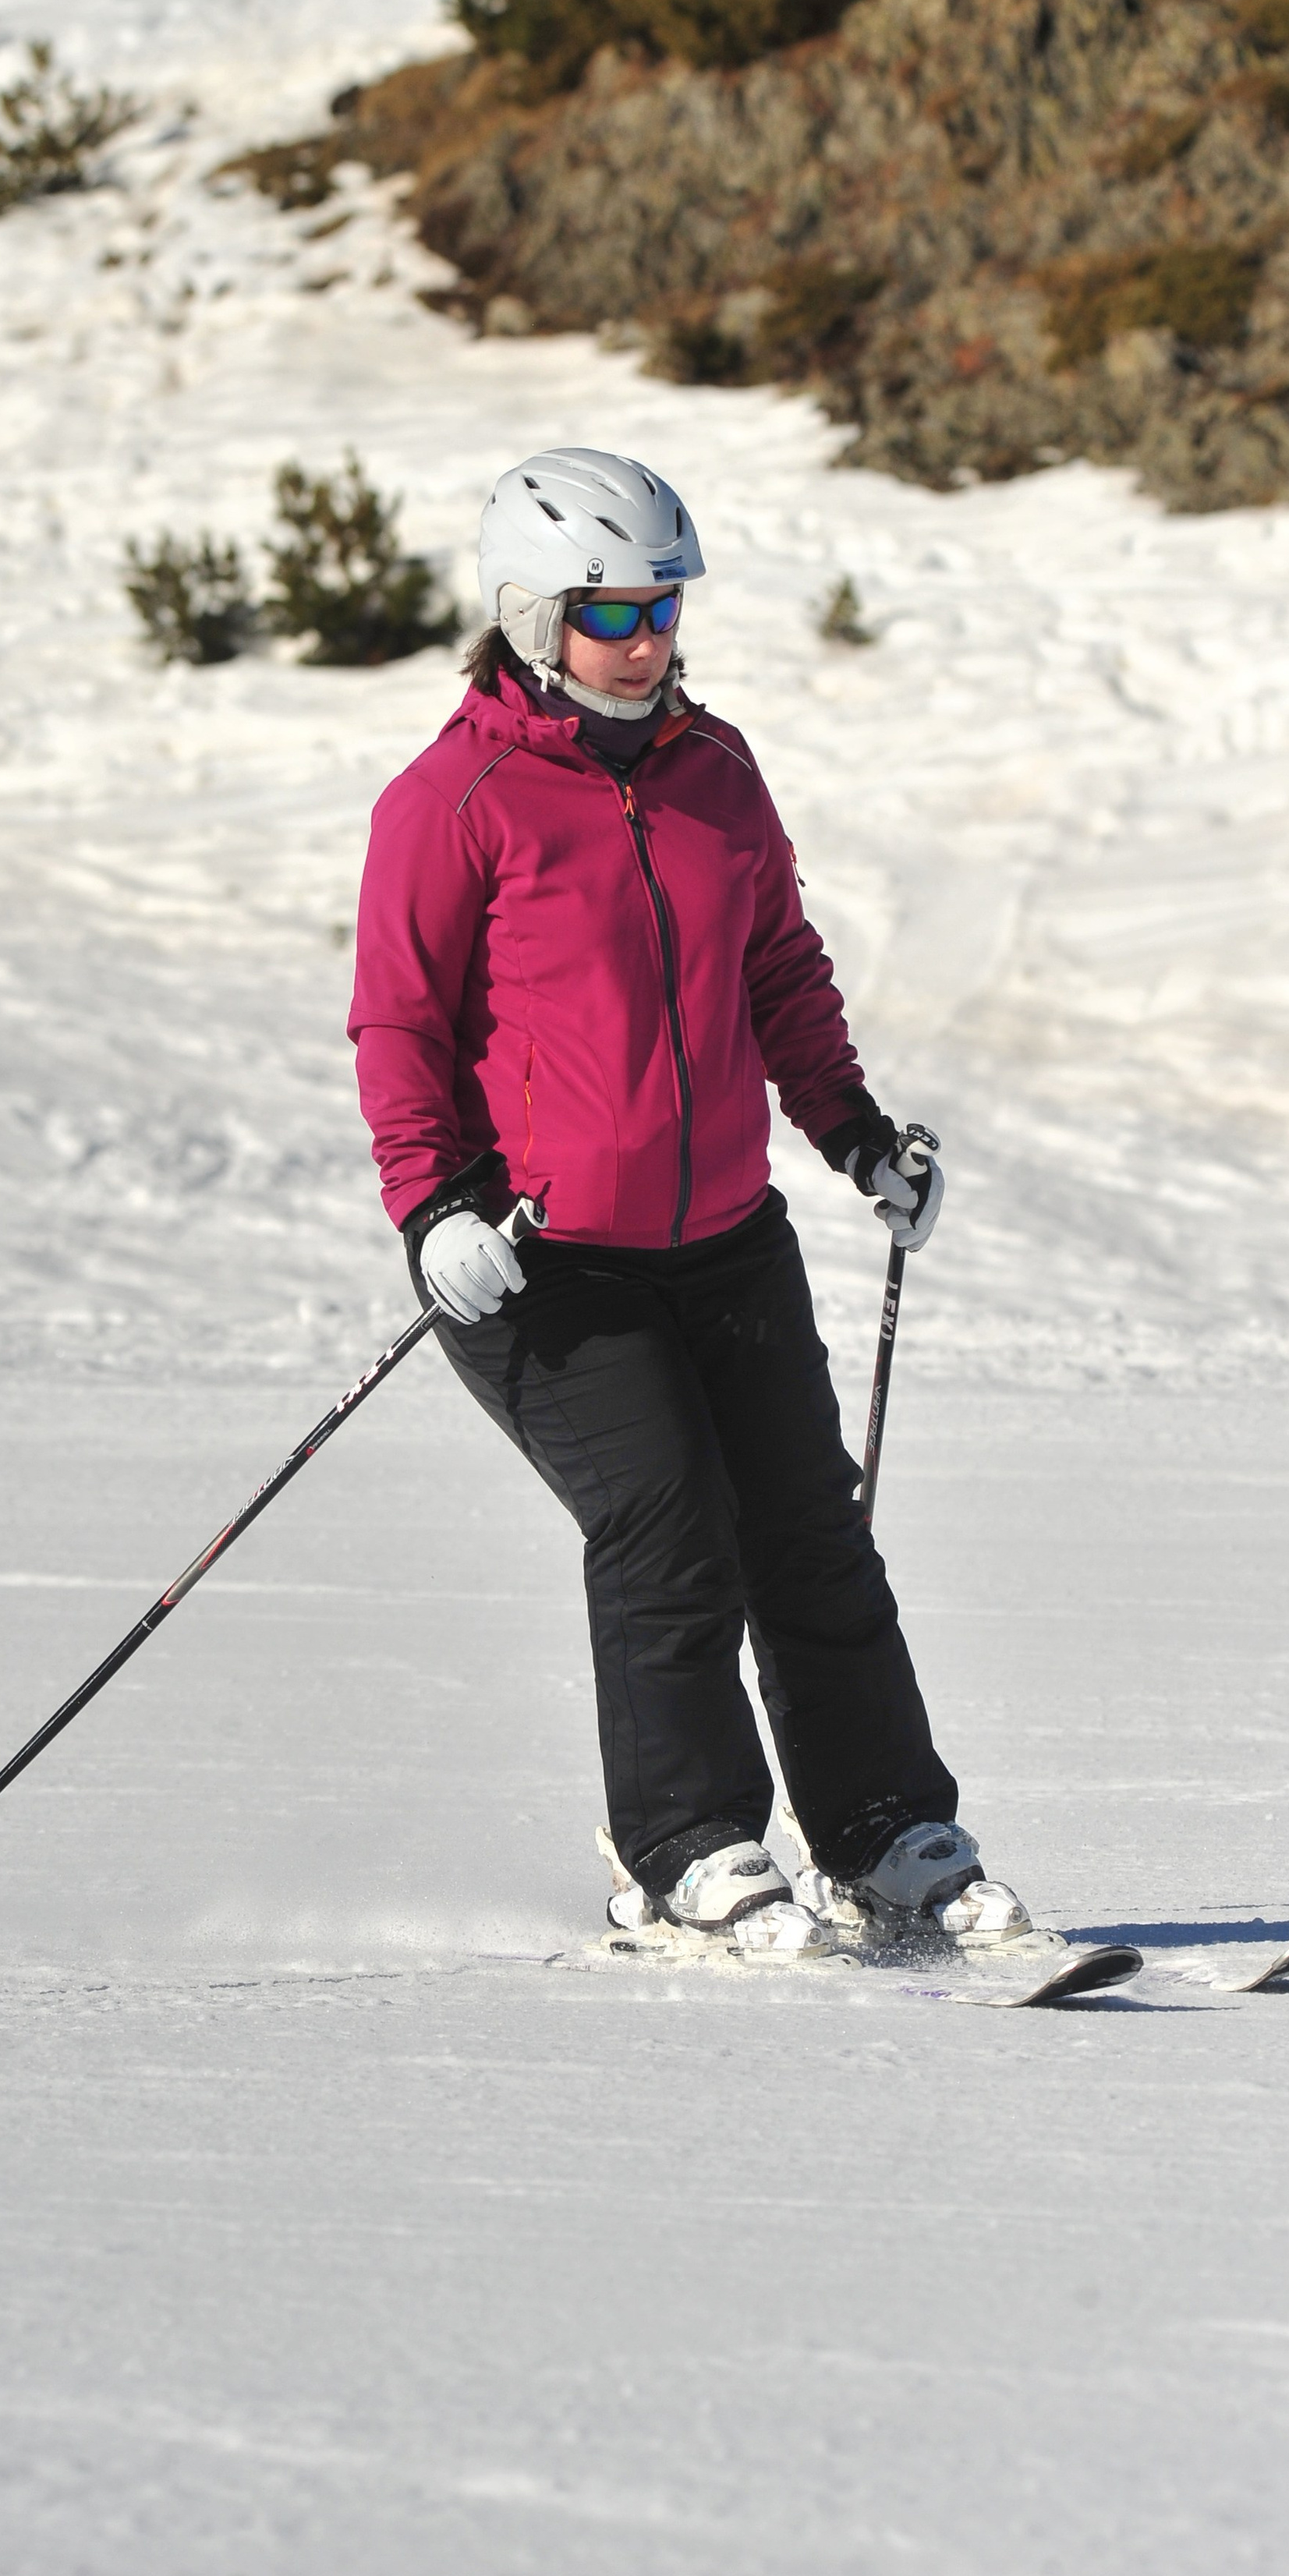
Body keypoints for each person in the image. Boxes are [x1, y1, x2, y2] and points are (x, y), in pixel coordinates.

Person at [348, 447, 1027, 1951]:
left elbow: (776, 965)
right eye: (613, 613)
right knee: (667, 1532)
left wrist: (853, 1132)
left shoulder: (715, 772)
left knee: (808, 1531)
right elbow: (397, 1025)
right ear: (533, 620)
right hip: (538, 1264)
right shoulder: (453, 801)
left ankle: (888, 1834)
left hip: (726, 1240)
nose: (649, 638)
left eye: (665, 605)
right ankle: (689, 1851)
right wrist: (435, 1211)